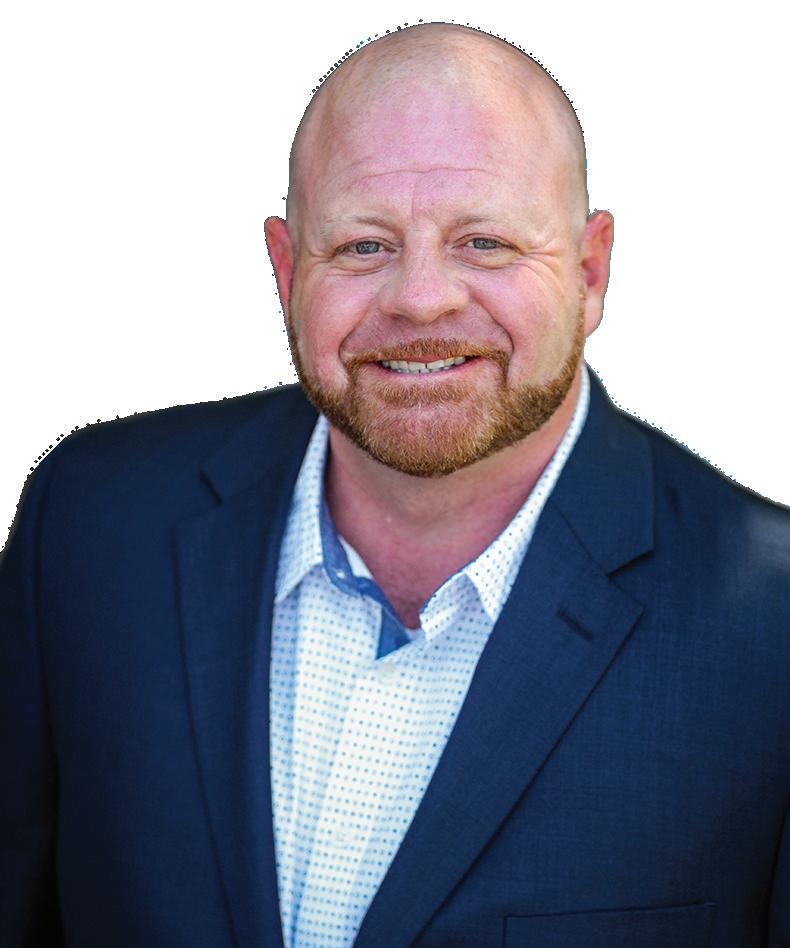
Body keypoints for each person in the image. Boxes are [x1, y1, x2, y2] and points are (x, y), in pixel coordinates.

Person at [0, 20, 787, 948]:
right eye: (363, 246)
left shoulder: (772, 630)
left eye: (485, 242)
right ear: (287, 271)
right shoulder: (89, 523)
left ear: (590, 271)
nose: (420, 299)